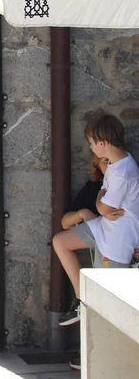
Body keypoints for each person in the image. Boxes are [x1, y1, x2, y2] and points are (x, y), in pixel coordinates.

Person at [53, 114, 139, 326]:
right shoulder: (115, 163)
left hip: (117, 240)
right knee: (61, 242)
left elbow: (103, 208)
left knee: (107, 306)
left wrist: (100, 198)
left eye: (91, 143)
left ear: (102, 142)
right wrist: (101, 203)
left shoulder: (123, 172)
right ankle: (81, 300)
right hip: (105, 227)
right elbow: (104, 210)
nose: (91, 147)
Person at [61, 153, 109, 229]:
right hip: (95, 234)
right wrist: (82, 213)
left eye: (115, 161)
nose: (112, 165)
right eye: (106, 160)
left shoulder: (126, 185)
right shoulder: (93, 187)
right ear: (98, 165)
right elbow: (65, 223)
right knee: (60, 237)